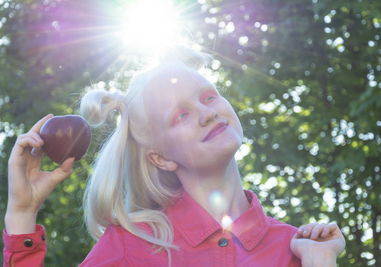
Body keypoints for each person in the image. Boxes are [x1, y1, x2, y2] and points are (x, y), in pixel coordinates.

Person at [3, 47, 345, 266]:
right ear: (160, 158)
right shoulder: (129, 247)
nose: (206, 113)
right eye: (180, 114)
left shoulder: (297, 248)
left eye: (209, 98)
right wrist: (22, 212)